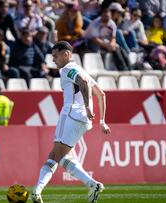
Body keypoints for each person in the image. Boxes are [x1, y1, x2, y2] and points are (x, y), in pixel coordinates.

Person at [31, 41, 111, 203]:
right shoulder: (82, 69)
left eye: (56, 56)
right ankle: (92, 184)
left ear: (66, 54)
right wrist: (102, 121)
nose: (53, 60)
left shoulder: (68, 69)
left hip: (71, 113)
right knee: (61, 156)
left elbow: (81, 81)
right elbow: (101, 94)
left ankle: (37, 192)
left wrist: (88, 107)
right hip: (83, 120)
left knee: (54, 155)